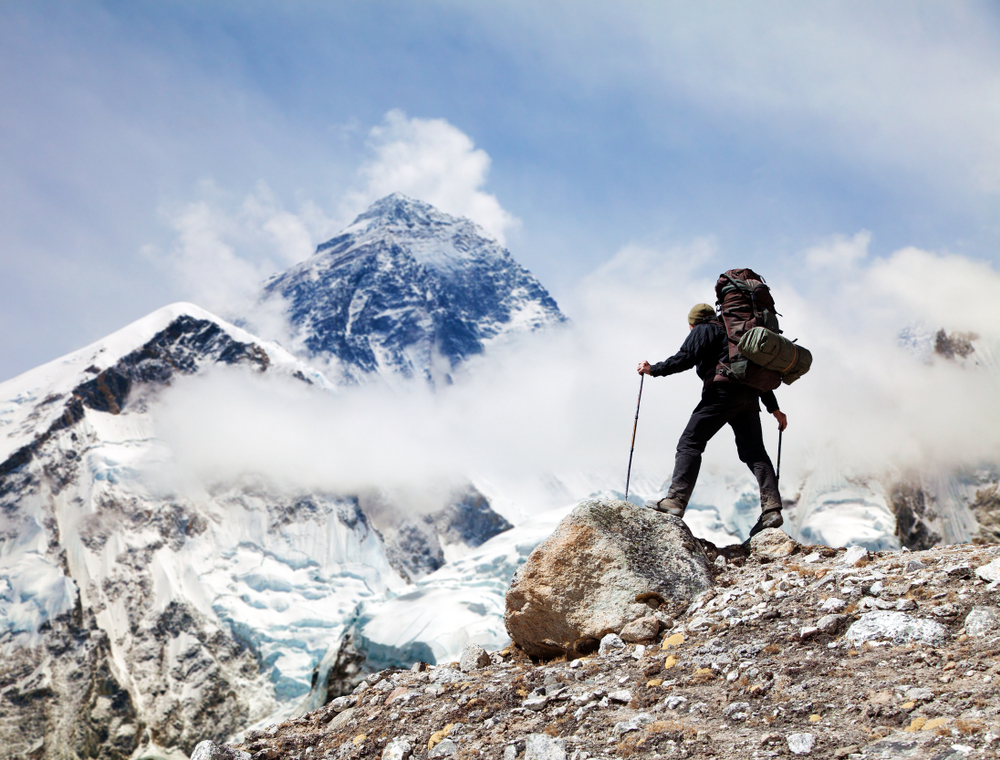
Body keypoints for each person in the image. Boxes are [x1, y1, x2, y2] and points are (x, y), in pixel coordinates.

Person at [637, 303, 787, 537]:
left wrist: (653, 369)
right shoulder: (737, 336)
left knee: (690, 442)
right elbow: (754, 374)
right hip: (749, 397)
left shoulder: (704, 329)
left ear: (692, 323)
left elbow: (685, 358)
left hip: (720, 394)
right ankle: (772, 510)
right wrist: (775, 409)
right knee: (754, 452)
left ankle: (675, 500)